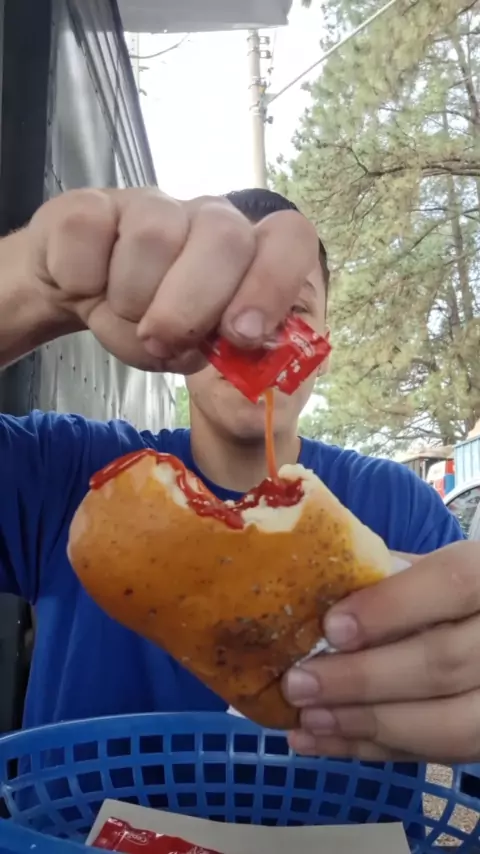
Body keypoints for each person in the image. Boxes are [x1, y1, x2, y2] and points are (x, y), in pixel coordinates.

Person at [0, 186, 478, 767]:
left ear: (323, 347)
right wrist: (31, 284)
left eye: (295, 312)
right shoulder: (66, 471)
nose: (256, 335)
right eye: (220, 305)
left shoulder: (399, 508)